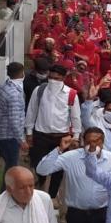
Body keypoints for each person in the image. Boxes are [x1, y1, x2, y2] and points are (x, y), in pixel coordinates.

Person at [25, 64, 82, 198]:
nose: (53, 80)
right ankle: (39, 189)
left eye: (57, 78)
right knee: (39, 165)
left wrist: (76, 137)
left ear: (63, 78)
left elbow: (75, 117)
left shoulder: (71, 94)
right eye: (50, 77)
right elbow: (31, 111)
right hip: (41, 135)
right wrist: (28, 133)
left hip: (61, 137)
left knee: (58, 169)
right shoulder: (39, 91)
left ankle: (52, 196)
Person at [0, 63, 28, 182]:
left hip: (2, 134)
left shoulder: (2, 87)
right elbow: (15, 120)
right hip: (10, 138)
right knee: (11, 170)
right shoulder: (14, 95)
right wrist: (21, 140)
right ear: (22, 73)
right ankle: (6, 195)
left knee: (9, 168)